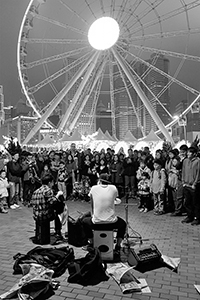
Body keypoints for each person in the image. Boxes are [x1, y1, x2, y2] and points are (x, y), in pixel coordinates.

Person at [82, 173, 126, 253]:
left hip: (96, 223)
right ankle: (118, 245)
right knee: (123, 224)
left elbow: (91, 198)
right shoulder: (113, 188)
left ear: (99, 181)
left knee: (84, 222)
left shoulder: (94, 188)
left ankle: (90, 242)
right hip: (112, 223)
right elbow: (115, 198)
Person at [31, 174, 64, 240]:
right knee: (58, 212)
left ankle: (39, 234)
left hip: (36, 215)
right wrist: (58, 195)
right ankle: (58, 232)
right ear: (49, 182)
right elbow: (52, 202)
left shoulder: (36, 191)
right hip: (44, 215)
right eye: (52, 182)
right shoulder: (48, 190)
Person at [181, 146, 200, 225]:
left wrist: (195, 183)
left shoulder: (198, 161)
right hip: (186, 184)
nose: (188, 153)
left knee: (195, 202)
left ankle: (197, 217)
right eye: (187, 152)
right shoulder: (185, 161)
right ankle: (190, 216)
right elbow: (183, 171)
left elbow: (198, 173)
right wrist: (183, 182)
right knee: (187, 202)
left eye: (190, 152)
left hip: (194, 185)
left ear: (194, 154)